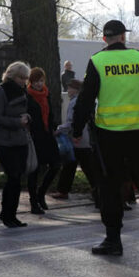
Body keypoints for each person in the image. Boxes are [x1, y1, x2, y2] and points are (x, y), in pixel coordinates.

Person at [72, 19, 139, 255]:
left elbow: (86, 99)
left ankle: (113, 240)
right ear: (123, 37)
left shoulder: (98, 61)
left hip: (108, 136)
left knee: (109, 187)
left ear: (104, 39)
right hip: (137, 134)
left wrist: (77, 129)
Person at [0, 62, 31, 228]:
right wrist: (17, 122)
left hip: (20, 139)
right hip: (4, 140)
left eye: (26, 78)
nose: (24, 81)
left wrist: (27, 118)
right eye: (21, 78)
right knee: (13, 176)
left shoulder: (22, 91)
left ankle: (11, 214)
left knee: (18, 177)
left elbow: (26, 111)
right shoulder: (0, 91)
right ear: (12, 76)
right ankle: (7, 214)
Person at [52, 79, 102, 207]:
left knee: (77, 165)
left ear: (77, 90)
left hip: (77, 139)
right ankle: (96, 189)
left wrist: (59, 129)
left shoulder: (75, 102)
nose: (68, 90)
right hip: (85, 138)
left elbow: (71, 122)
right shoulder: (87, 101)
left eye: (70, 88)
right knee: (80, 165)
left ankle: (96, 189)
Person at [25, 67, 61, 215]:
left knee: (55, 165)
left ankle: (41, 193)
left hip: (47, 135)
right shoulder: (27, 96)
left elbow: (51, 112)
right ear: (30, 82)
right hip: (35, 136)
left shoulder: (46, 93)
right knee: (34, 169)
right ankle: (34, 202)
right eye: (35, 81)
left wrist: (53, 126)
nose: (39, 84)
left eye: (41, 81)